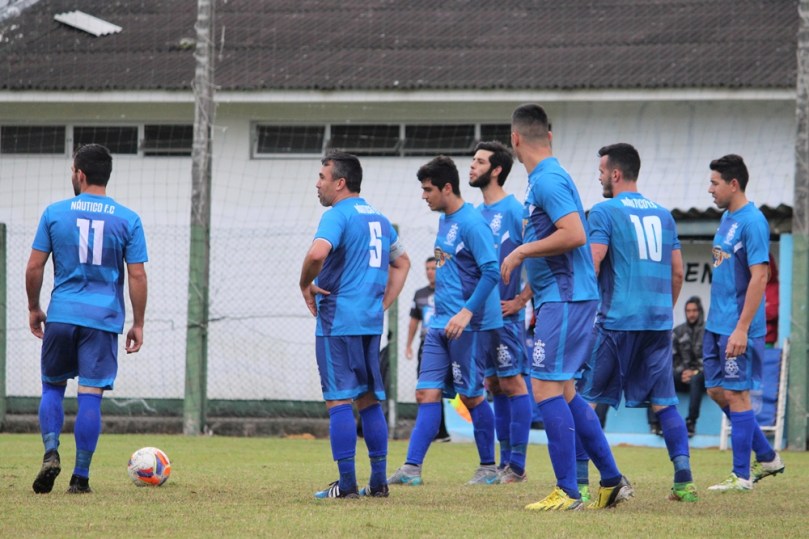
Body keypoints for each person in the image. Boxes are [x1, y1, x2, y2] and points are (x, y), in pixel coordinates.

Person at [502, 104, 631, 511]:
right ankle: (610, 481)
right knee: (566, 391)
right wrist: (530, 295)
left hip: (567, 298)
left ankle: (569, 491)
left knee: (543, 388)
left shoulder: (548, 179)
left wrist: (522, 250)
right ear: (549, 136)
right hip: (560, 298)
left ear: (515, 139)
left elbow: (574, 233)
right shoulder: (545, 178)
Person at [26, 143, 148, 494]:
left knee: (52, 386)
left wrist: (35, 307)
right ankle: (80, 478)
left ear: (79, 174)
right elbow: (137, 276)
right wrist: (137, 323)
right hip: (103, 318)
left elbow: (35, 266)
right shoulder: (128, 218)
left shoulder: (54, 213)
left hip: (62, 314)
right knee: (90, 395)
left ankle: (51, 452)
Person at [579, 143, 698, 503]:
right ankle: (684, 482)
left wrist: (582, 314)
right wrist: (663, 310)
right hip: (659, 322)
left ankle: (582, 486)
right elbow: (678, 273)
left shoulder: (603, 211)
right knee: (665, 402)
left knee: (584, 400)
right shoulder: (664, 215)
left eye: (601, 171)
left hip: (617, 320)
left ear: (615, 173)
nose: (599, 177)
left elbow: (593, 263)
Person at [299, 151, 411, 499]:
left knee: (338, 401)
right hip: (368, 321)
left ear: (340, 182)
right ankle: (378, 484)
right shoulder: (379, 218)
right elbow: (402, 262)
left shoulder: (338, 215)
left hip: (338, 320)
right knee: (369, 399)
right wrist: (383, 303)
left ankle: (346, 486)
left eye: (322, 177)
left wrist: (304, 283)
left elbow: (318, 254)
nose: (317, 184)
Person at [388, 155, 502, 486]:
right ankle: (411, 469)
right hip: (438, 325)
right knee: (426, 394)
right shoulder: (444, 221)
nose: (423, 196)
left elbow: (491, 271)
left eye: (428, 190)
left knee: (471, 396)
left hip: (466, 327)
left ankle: (488, 468)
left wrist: (466, 312)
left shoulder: (472, 223)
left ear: (446, 188)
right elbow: (448, 267)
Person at [703, 154, 784, 492]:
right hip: (716, 324)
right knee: (716, 390)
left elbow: (760, 276)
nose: (710, 189)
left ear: (733, 184)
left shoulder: (753, 222)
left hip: (738, 326)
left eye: (715, 182)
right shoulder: (728, 219)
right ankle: (766, 456)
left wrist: (741, 327)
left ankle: (742, 476)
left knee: (738, 395)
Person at [469, 140, 533, 483]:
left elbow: (543, 257)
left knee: (512, 381)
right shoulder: (476, 215)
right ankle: (505, 461)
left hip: (507, 317)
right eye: (472, 160)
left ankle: (517, 466)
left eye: (479, 161)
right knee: (493, 383)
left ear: (496, 170)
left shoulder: (515, 211)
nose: (472, 166)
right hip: (482, 319)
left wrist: (522, 299)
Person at [404, 257, 450, 441]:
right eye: (427, 268)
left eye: (434, 268)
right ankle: (436, 431)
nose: (430, 272)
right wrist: (408, 344)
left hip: (449, 341)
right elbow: (414, 322)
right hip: (428, 344)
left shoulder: (449, 291)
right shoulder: (420, 294)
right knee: (427, 388)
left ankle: (443, 431)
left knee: (451, 389)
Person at [648, 296, 706, 437]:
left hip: (702, 377)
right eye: (688, 311)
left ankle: (691, 423)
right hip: (682, 375)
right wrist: (682, 372)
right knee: (659, 377)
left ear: (700, 311)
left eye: (694, 310)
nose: (691, 314)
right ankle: (656, 423)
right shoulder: (678, 331)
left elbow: (711, 360)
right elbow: (670, 359)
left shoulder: (708, 332)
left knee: (696, 379)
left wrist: (694, 372)